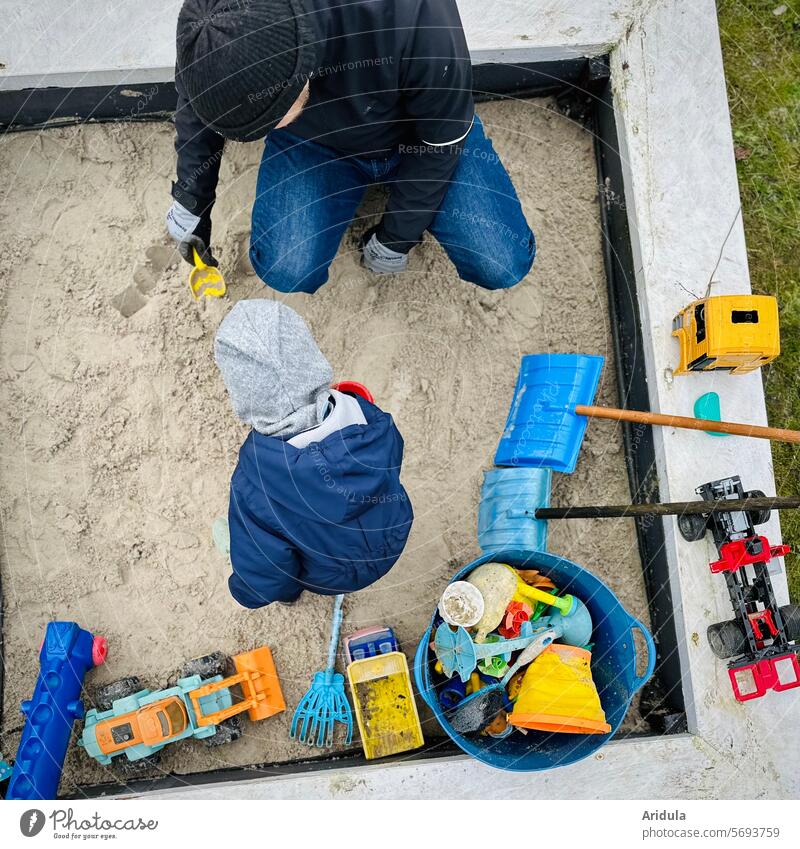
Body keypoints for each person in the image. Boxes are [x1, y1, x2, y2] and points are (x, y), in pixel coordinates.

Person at [167, 0, 535, 294]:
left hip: (418, 135)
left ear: (301, 66)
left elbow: (440, 143)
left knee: (501, 262)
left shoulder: (415, 15)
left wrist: (396, 238)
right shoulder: (214, 19)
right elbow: (203, 91)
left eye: (269, 118)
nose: (264, 129)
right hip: (316, 143)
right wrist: (191, 200)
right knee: (287, 268)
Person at [214, 299, 413, 607]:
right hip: (394, 533)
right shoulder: (370, 418)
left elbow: (267, 571)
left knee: (270, 553)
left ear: (242, 395)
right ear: (312, 359)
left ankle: (292, 597)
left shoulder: (252, 486)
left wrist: (246, 593)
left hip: (332, 577)